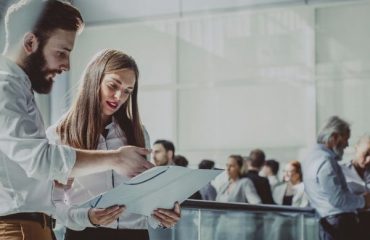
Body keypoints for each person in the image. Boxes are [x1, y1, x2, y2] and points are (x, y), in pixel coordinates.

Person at [0, 1, 151, 239]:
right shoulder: (5, 88)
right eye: (61, 52)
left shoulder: (19, 90)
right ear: (30, 43)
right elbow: (42, 161)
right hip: (24, 228)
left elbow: (32, 173)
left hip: (37, 227)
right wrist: (116, 158)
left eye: (128, 91)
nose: (66, 66)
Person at [47, 49, 180, 240]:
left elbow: (145, 197)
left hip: (136, 235)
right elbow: (52, 203)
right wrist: (86, 217)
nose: (119, 96)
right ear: (95, 79)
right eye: (113, 85)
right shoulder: (59, 134)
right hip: (86, 235)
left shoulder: (138, 133)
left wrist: (161, 215)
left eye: (127, 91)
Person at [302, 116, 370, 240]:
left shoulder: (311, 158)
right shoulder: (326, 161)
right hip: (339, 225)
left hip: (328, 224)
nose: (347, 144)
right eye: (346, 139)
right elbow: (338, 200)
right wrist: (364, 201)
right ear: (334, 137)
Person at [340, 134, 370, 238]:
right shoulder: (340, 172)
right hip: (348, 229)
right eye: (366, 153)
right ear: (356, 148)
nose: (369, 159)